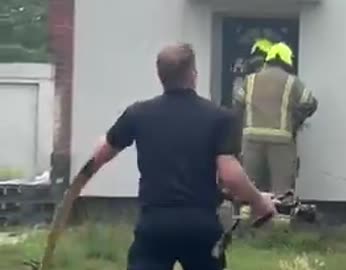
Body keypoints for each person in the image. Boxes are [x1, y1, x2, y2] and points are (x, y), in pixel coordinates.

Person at [39, 43, 276, 270]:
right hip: (199, 225)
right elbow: (230, 175)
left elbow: (101, 154)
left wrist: (74, 190)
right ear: (193, 74)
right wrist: (259, 202)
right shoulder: (220, 118)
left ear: (160, 75)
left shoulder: (138, 114)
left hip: (155, 224)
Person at [233, 42, 318, 195]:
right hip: (281, 141)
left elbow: (237, 105)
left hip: (251, 139)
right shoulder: (292, 81)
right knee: (281, 189)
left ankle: (247, 215)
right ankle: (279, 216)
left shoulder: (250, 79)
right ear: (287, 61)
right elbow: (310, 103)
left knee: (250, 185)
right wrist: (295, 121)